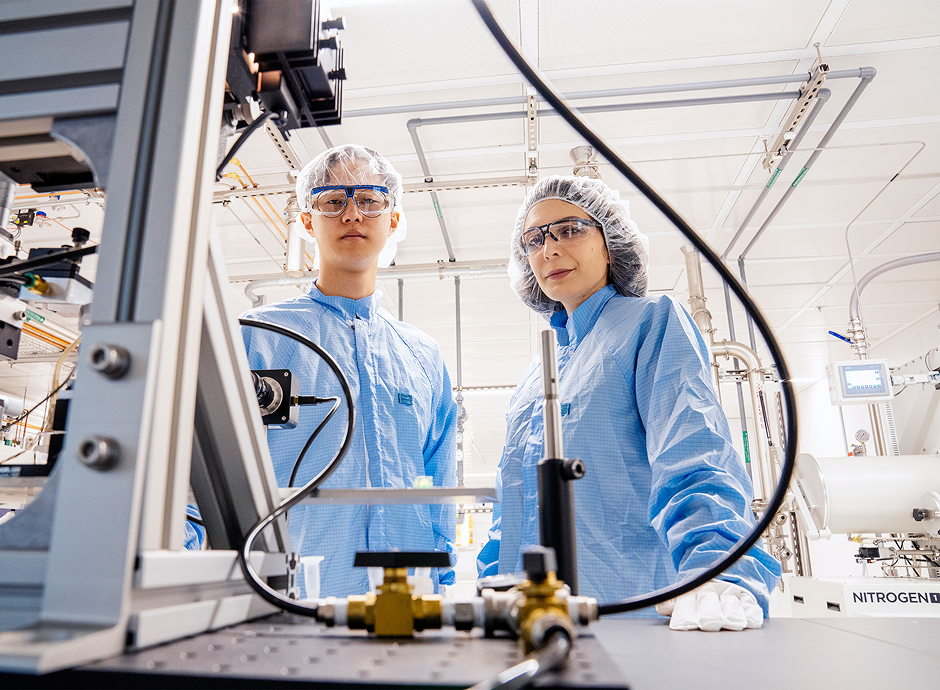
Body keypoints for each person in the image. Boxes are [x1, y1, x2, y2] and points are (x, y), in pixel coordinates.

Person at [477, 175, 781, 631]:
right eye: (534, 239)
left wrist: (716, 568)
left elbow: (694, 451)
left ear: (611, 245)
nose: (550, 249)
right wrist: (492, 585)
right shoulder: (537, 375)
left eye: (570, 229)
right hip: (530, 621)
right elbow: (512, 505)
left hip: (630, 613)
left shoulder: (650, 324)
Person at [240, 145, 458, 597]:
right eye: (332, 201)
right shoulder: (259, 338)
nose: (353, 214)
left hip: (410, 594)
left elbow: (438, 480)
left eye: (370, 199)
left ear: (392, 219)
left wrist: (440, 578)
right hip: (295, 595)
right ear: (306, 222)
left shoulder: (422, 355)